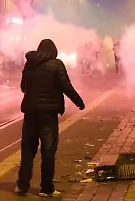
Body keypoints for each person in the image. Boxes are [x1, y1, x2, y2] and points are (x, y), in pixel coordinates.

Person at [16, 39, 85, 198]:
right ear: (53, 51)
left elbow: (23, 88)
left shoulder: (29, 64)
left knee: (27, 151)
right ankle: (46, 188)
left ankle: (22, 186)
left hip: (30, 113)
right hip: (48, 115)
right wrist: (79, 102)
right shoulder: (57, 64)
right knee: (48, 151)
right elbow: (66, 86)